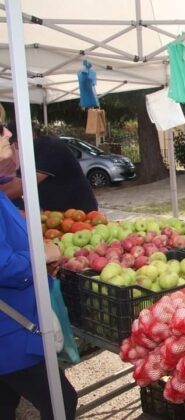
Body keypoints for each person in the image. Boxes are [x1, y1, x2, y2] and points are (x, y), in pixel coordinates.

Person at [0, 110, 78, 419]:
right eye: (0, 130)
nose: (8, 135)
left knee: (5, 405)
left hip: (13, 324)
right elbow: (3, 265)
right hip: (12, 332)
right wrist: (41, 257)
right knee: (62, 402)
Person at [0, 120, 98, 212]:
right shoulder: (31, 154)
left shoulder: (46, 146)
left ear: (30, 135)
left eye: (15, 142)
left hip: (79, 215)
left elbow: (22, 185)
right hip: (59, 217)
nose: (16, 147)